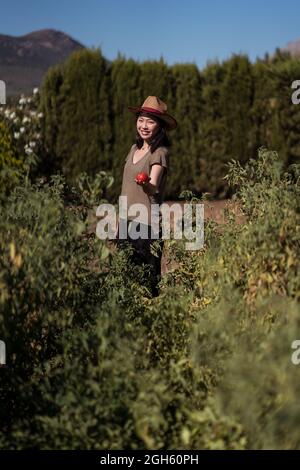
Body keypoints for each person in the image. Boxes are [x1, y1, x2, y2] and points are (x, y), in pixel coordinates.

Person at [115, 95, 177, 297]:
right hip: (127, 221)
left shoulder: (159, 153)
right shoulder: (134, 149)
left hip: (146, 225)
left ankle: (151, 325)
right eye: (141, 119)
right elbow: (126, 189)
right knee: (124, 279)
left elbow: (154, 188)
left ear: (160, 126)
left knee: (147, 284)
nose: (144, 125)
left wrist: (145, 184)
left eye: (151, 121)